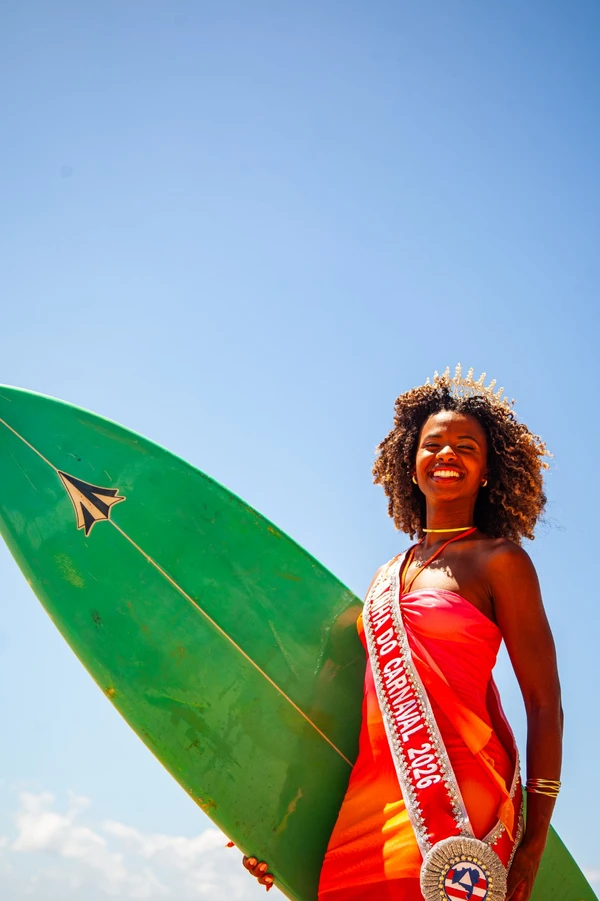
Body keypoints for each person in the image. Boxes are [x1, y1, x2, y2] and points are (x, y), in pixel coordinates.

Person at [244, 366, 562, 901]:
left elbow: (544, 702)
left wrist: (533, 844)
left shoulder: (501, 562)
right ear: (410, 464)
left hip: (458, 809)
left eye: (466, 447)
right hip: (365, 808)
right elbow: (340, 712)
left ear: (487, 470)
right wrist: (282, 828)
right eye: (433, 444)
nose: (447, 454)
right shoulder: (386, 576)